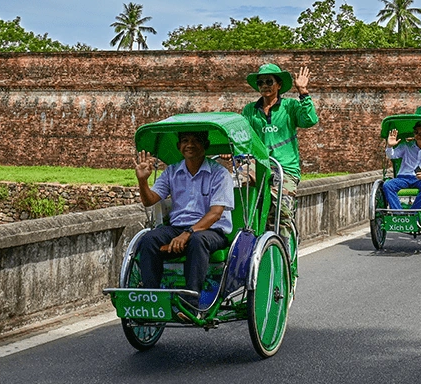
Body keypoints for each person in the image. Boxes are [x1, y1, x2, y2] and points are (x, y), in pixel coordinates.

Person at [133, 131, 234, 313]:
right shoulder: (172, 171)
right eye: (185, 141)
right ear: (179, 147)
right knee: (149, 240)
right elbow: (150, 200)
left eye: (196, 140)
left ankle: (190, 303)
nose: (190, 145)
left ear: (206, 145)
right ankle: (152, 299)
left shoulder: (219, 174)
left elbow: (216, 214)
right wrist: (142, 182)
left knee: (197, 240)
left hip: (212, 231)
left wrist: (188, 233)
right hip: (177, 228)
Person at [242, 63, 318, 237]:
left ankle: (282, 253)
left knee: (280, 212)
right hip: (258, 165)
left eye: (269, 81)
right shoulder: (250, 111)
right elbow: (242, 136)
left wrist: (303, 92)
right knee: (237, 188)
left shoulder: (290, 106)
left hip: (285, 168)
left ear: (279, 85)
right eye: (261, 83)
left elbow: (310, 120)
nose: (265, 86)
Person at [382, 121, 421, 216]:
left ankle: (413, 213)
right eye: (416, 132)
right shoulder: (406, 146)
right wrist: (389, 146)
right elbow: (392, 155)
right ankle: (399, 214)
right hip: (403, 177)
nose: (419, 135)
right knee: (387, 185)